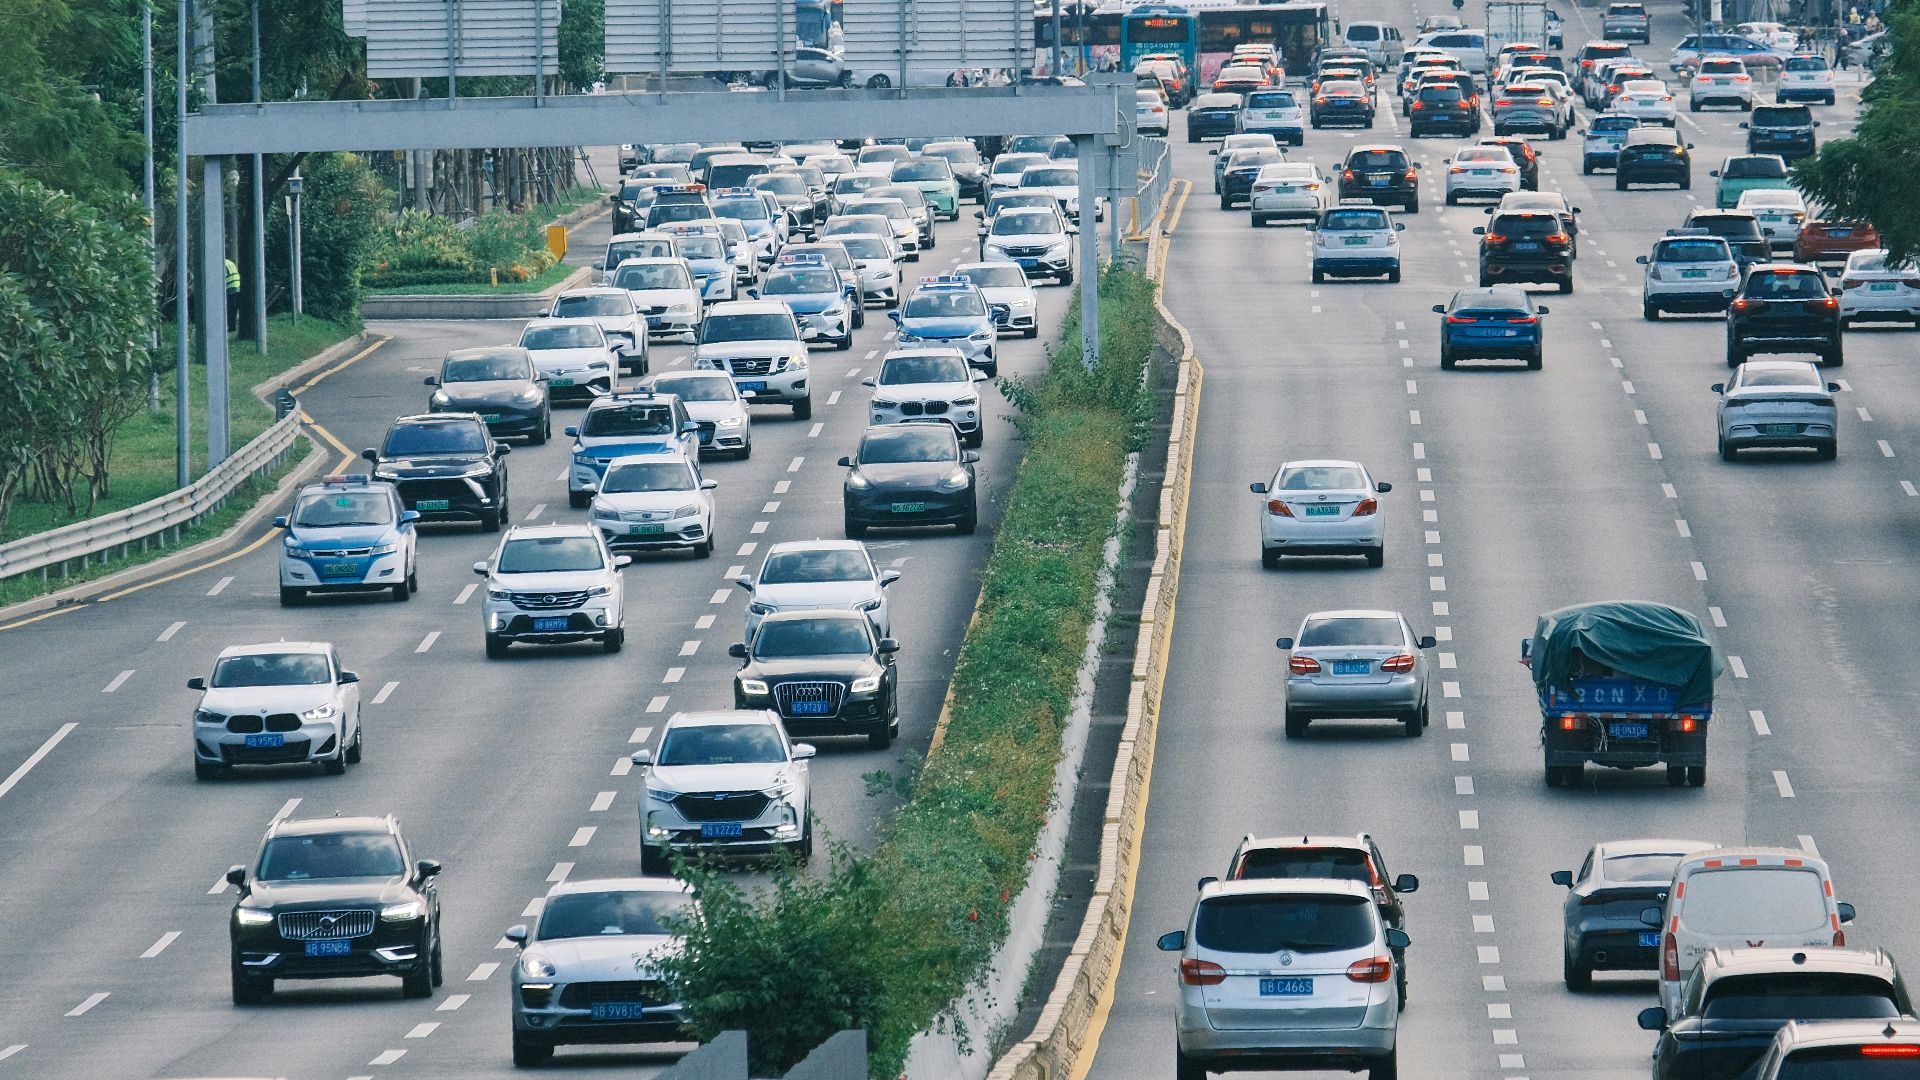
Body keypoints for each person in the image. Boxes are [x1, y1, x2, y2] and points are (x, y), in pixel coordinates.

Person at [223, 256, 240, 332]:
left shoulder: (221, 264)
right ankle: (232, 325)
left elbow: (223, 277)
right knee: (233, 309)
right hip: (236, 286)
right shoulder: (229, 263)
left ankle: (231, 327)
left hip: (229, 288)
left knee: (230, 309)